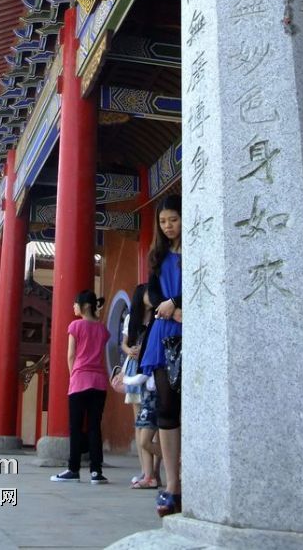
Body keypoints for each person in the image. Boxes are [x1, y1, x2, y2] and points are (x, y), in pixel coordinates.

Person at [128, 194, 183, 516]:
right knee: (166, 407)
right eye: (163, 222)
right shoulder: (158, 255)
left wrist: (176, 302)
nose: (168, 226)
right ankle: (172, 486)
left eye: (173, 220)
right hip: (163, 334)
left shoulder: (198, 245)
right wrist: (170, 306)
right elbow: (153, 290)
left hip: (189, 327)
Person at [50, 290, 110, 484]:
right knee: (94, 427)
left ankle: (73, 469)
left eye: (76, 303)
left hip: (80, 380)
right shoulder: (102, 329)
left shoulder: (75, 325)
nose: (73, 306)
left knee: (75, 427)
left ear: (85, 306)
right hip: (99, 382)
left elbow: (71, 355)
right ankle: (96, 471)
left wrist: (73, 375)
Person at [122, 284, 161, 488]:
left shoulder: (158, 316)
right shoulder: (132, 319)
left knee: (155, 427)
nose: (152, 296)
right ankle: (146, 471)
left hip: (151, 372)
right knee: (140, 424)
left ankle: (155, 471)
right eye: (148, 293)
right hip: (134, 369)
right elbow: (124, 343)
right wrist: (129, 350)